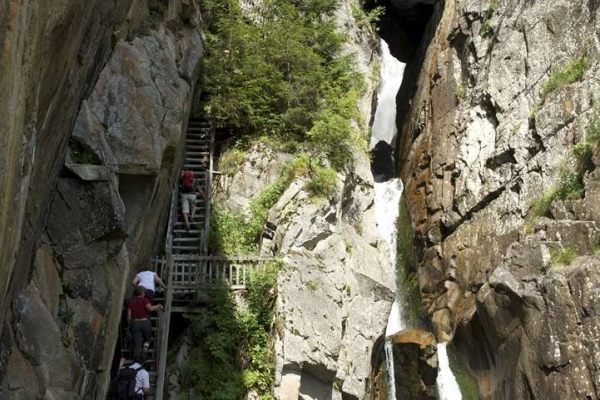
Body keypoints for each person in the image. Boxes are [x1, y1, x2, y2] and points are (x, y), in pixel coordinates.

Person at [128, 286, 163, 359]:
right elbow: (149, 308)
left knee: (137, 343)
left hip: (135, 323)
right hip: (145, 322)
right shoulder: (145, 300)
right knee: (147, 338)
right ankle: (145, 349)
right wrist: (158, 306)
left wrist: (130, 326)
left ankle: (137, 359)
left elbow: (129, 317)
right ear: (143, 293)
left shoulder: (131, 302)